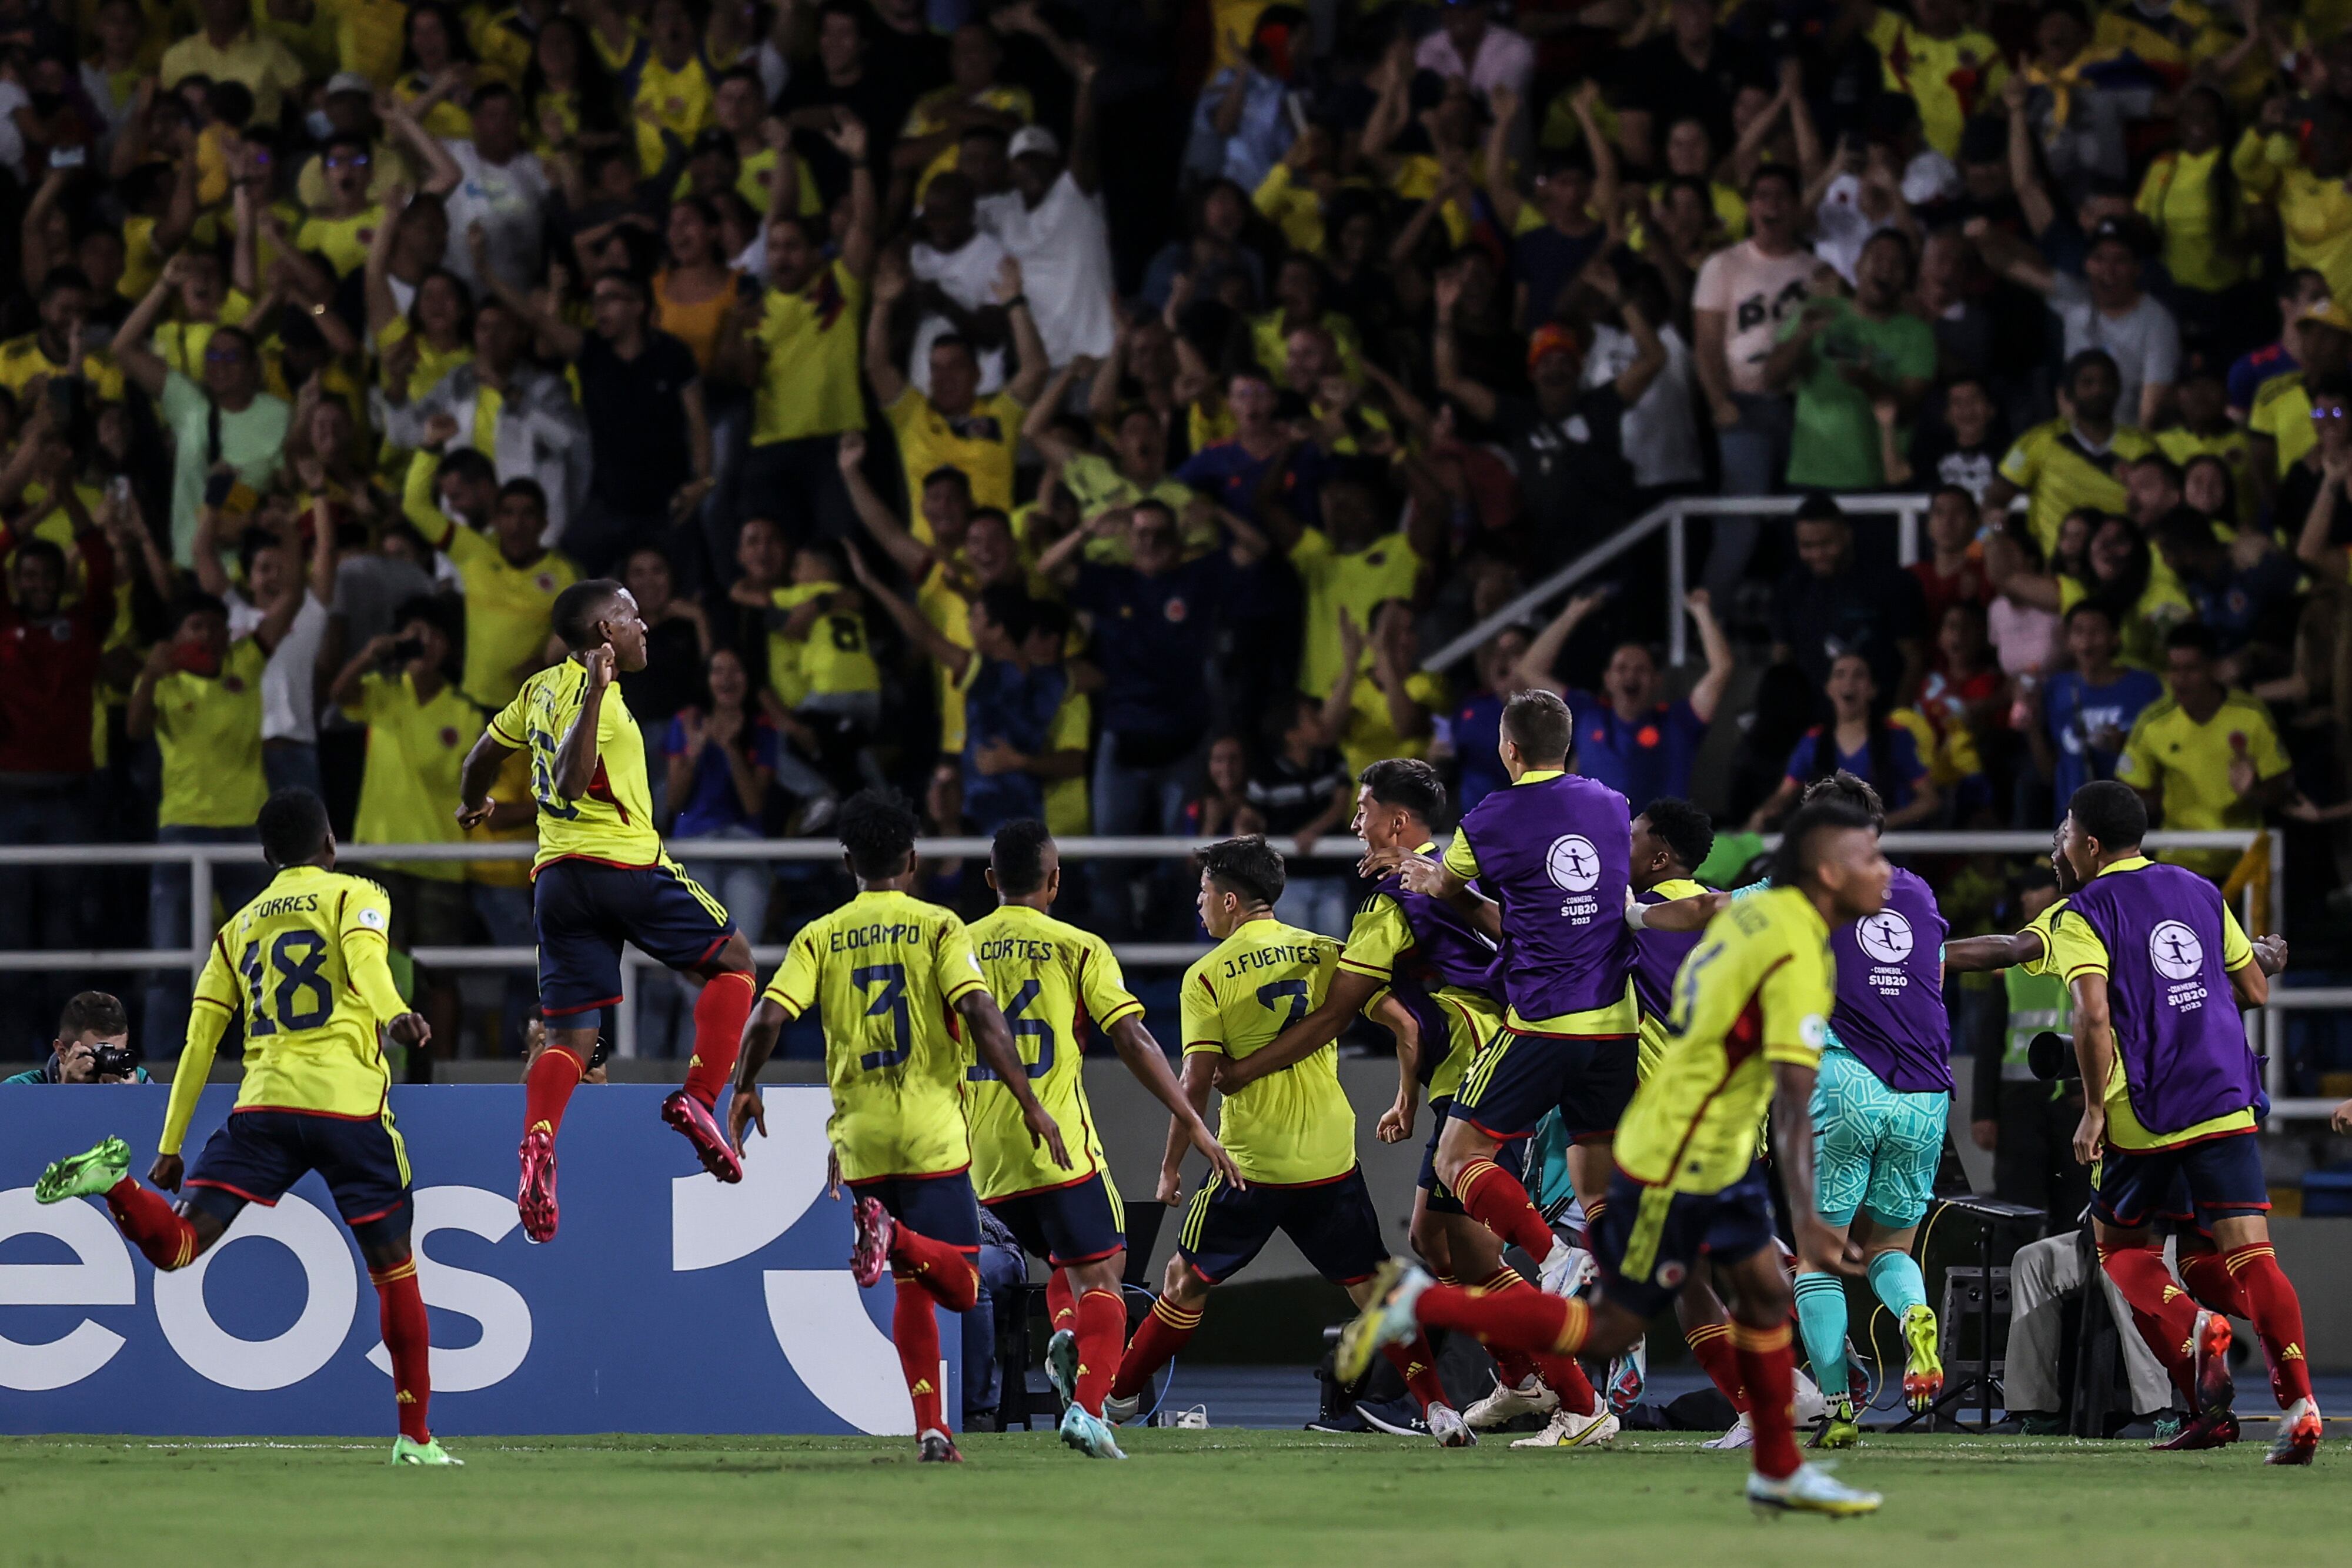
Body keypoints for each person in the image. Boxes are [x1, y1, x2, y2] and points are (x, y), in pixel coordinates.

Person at [1337, 798, 1893, 1515]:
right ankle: (1421, 1301)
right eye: (1870, 859)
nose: (1886, 873)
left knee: (1739, 1293)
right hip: (1685, 1145)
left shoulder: (1712, 913)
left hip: (1705, 1140)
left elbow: (1679, 912)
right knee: (1630, 1319)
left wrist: (1617, 913)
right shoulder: (1773, 935)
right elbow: (1787, 1085)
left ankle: (1775, 1450)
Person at [32, 788, 452, 1465]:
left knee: (180, 1247)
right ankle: (416, 1439)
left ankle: (114, 1183)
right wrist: (394, 1012)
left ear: (265, 856)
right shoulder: (355, 895)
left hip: (263, 1109)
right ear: (330, 843)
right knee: (395, 1271)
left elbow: (199, 1043)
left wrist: (169, 1145)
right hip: (347, 1109)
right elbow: (367, 962)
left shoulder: (237, 930)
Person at [1220, 758, 1605, 1441]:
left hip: (1478, 1067)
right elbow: (1410, 1015)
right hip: (1493, 1051)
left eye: (1363, 809)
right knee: (1434, 1239)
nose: (1353, 822)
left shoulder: (1392, 899)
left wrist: (1244, 1069)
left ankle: (1570, 1373)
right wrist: (1404, 1094)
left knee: (1476, 1255)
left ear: (1397, 821)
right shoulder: (1460, 875)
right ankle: (1522, 1379)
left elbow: (1336, 1012)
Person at [725, 788, 1066, 1463]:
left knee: (910, 1283)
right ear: (912, 860)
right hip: (929, 1134)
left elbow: (766, 1017)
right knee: (963, 1286)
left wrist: (743, 1086)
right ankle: (896, 1235)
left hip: (860, 1140)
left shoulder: (819, 935)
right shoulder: (939, 927)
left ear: (847, 861)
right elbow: (980, 1013)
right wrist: (1029, 1102)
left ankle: (931, 1429)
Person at [1099, 835, 1461, 1445]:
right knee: (1375, 1292)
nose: (1198, 903)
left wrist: (1170, 1165)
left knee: (1183, 1280)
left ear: (1231, 900)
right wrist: (1406, 1099)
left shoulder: (1206, 976)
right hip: (1329, 1158)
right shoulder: (1328, 953)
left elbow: (1196, 1082)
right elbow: (1406, 1026)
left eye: (1204, 892)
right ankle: (1439, 1408)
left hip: (1252, 1165)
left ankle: (1117, 1398)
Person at [456, 577, 761, 1236]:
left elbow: (479, 758)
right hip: (625, 868)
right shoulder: (600, 698)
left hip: (557, 882)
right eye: (631, 616)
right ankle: (699, 1099)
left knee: (571, 1039)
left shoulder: (537, 689)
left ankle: (539, 1140)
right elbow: (571, 781)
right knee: (736, 963)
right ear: (605, 633)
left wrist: (474, 802)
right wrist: (596, 694)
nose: (643, 625)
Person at [2045, 780, 2318, 1463]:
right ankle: (2296, 1407)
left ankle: (2196, 1335)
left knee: (2121, 1252)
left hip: (2146, 1110)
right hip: (2224, 1094)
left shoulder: (2083, 911)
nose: (2064, 843)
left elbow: (2092, 1017)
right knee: (2239, 1258)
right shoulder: (2199, 890)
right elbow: (2253, 987)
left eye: (2067, 832)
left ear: (2089, 844)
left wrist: (2091, 1111)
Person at [1360, 691, 1649, 1320]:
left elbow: (1444, 885)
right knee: (1594, 1180)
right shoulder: (1614, 805)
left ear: (1508, 749)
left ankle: (1552, 1257)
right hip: (1617, 1025)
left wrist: (1417, 869)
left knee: (1456, 1157)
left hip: (1545, 1021)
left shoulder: (1489, 818)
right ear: (1567, 746)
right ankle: (1614, 1291)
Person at [963, 818, 1241, 1457]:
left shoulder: (957, 947)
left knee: (1067, 1265)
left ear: (990, 879)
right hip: (1060, 1149)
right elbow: (1133, 1038)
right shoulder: (1077, 947)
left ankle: (1065, 1336)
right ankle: (1089, 1411)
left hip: (987, 1162)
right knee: (1107, 1275)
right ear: (1055, 881)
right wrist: (1194, 1123)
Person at [1783, 774, 1951, 1449]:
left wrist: (1634, 913)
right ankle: (1913, 1315)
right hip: (1926, 1094)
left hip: (1848, 1082)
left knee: (1817, 1261)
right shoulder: (1917, 892)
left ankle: (1835, 1408)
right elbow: (1934, 979)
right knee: (1890, 1248)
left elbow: (1712, 912)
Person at [329, 596, 483, 1065]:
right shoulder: (382, 691)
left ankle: (443, 1071)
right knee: (377, 968)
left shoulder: (466, 712)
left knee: (440, 975)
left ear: (450, 646)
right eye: (415, 633)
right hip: (379, 856)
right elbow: (338, 694)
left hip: (442, 861)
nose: (425, 642)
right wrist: (370, 654)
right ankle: (378, 1065)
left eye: (435, 635)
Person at [1514, 588, 1732, 806]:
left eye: (1641, 669)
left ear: (1657, 681)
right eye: (1622, 668)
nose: (1631, 676)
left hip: (1661, 829)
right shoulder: (1586, 714)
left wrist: (1701, 612)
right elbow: (1530, 669)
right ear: (1608, 679)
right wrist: (1573, 613)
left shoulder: (1679, 723)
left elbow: (1722, 668)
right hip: (1594, 828)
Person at [2114, 623, 2292, 881]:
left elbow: (2282, 789)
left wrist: (2253, 791)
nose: (2180, 679)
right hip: (2178, 864)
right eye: (2174, 669)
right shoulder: (2153, 723)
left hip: (2243, 861)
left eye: (2191, 669)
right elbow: (2129, 792)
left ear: (2213, 669)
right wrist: (2155, 797)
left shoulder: (2251, 715)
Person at [1984, 349, 2158, 557]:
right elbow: (1994, 498)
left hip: (2122, 565)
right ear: (2069, 392)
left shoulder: (2143, 447)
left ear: (2118, 389)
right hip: (2056, 569)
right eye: (2087, 383)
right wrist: (1995, 528)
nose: (2098, 390)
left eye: (2106, 382)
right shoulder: (2036, 440)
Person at [1750, 651, 1939, 830]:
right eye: (1840, 674)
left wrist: (1881, 824)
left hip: (1883, 848)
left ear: (1873, 690)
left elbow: (1930, 801)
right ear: (1829, 689)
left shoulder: (1896, 737)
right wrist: (1763, 813)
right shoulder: (1813, 741)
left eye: (1859, 675)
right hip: (1829, 848)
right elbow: (1783, 795)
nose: (1849, 682)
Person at [1768, 493, 1929, 698]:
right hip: (1810, 714)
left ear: (1847, 534)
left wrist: (1898, 715)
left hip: (1881, 712)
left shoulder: (1891, 583)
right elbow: (1782, 659)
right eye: (1808, 546)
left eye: (1826, 544)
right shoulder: (1791, 589)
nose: (1818, 554)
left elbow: (1914, 659)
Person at [2032, 600, 2163, 824]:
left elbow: (2162, 763)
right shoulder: (2056, 688)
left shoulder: (2145, 687)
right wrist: (2031, 727)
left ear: (2115, 637)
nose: (2087, 641)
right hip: (2072, 827)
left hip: (2128, 826)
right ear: (2068, 640)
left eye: (2096, 632)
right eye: (2079, 632)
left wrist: (2125, 748)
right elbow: (2049, 771)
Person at [2, 992, 148, 1084]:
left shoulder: (137, 1080)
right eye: (100, 1053)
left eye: (117, 1053)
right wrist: (69, 1092)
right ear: (62, 1051)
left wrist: (135, 1100)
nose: (109, 1063)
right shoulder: (20, 1088)